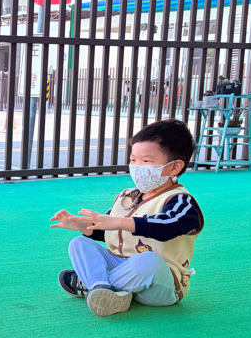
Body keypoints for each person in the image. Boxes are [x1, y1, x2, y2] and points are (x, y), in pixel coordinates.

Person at [50, 119, 204, 317]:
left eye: (146, 161)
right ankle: (103, 288)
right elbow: (108, 231)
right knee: (79, 244)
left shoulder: (182, 202)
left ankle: (93, 283)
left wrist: (118, 222)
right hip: (123, 267)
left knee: (148, 261)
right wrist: (82, 226)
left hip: (160, 282)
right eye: (133, 160)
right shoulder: (127, 196)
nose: (137, 167)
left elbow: (166, 227)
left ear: (174, 167)